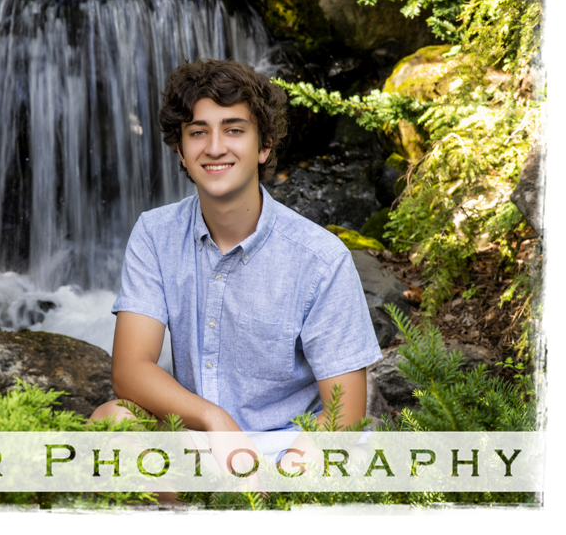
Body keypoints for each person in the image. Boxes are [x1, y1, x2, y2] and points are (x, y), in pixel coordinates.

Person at [89, 58, 382, 472]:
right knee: (111, 422)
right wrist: (215, 420)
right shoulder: (155, 235)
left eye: (234, 130)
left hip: (293, 448)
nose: (214, 148)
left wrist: (280, 480)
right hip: (201, 438)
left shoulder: (321, 259)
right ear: (181, 150)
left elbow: (344, 415)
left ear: (264, 147)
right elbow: (130, 370)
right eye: (198, 132)